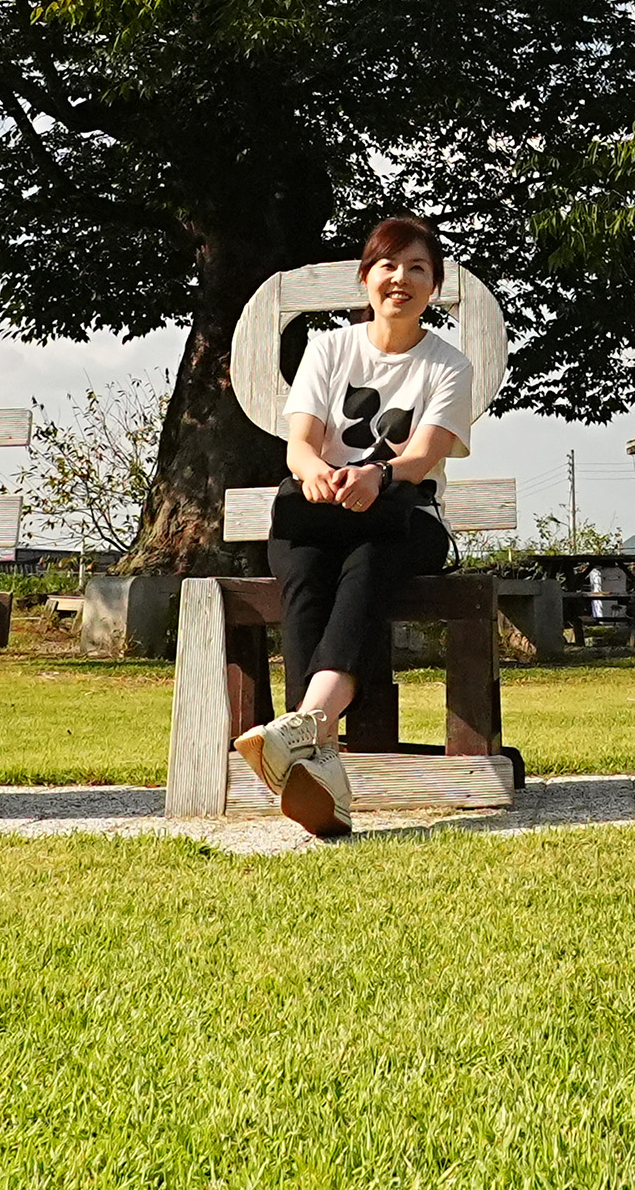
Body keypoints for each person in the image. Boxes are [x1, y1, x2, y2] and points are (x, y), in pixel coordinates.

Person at [229, 214, 477, 838]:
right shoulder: (329, 348)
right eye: (388, 265)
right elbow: (300, 445)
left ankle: (307, 733)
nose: (401, 279)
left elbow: (422, 456)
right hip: (319, 515)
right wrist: (316, 472)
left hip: (403, 517)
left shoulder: (448, 365)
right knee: (306, 570)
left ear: (434, 286)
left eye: (418, 268)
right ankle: (317, 745)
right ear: (366, 278)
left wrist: (377, 475)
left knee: (366, 565)